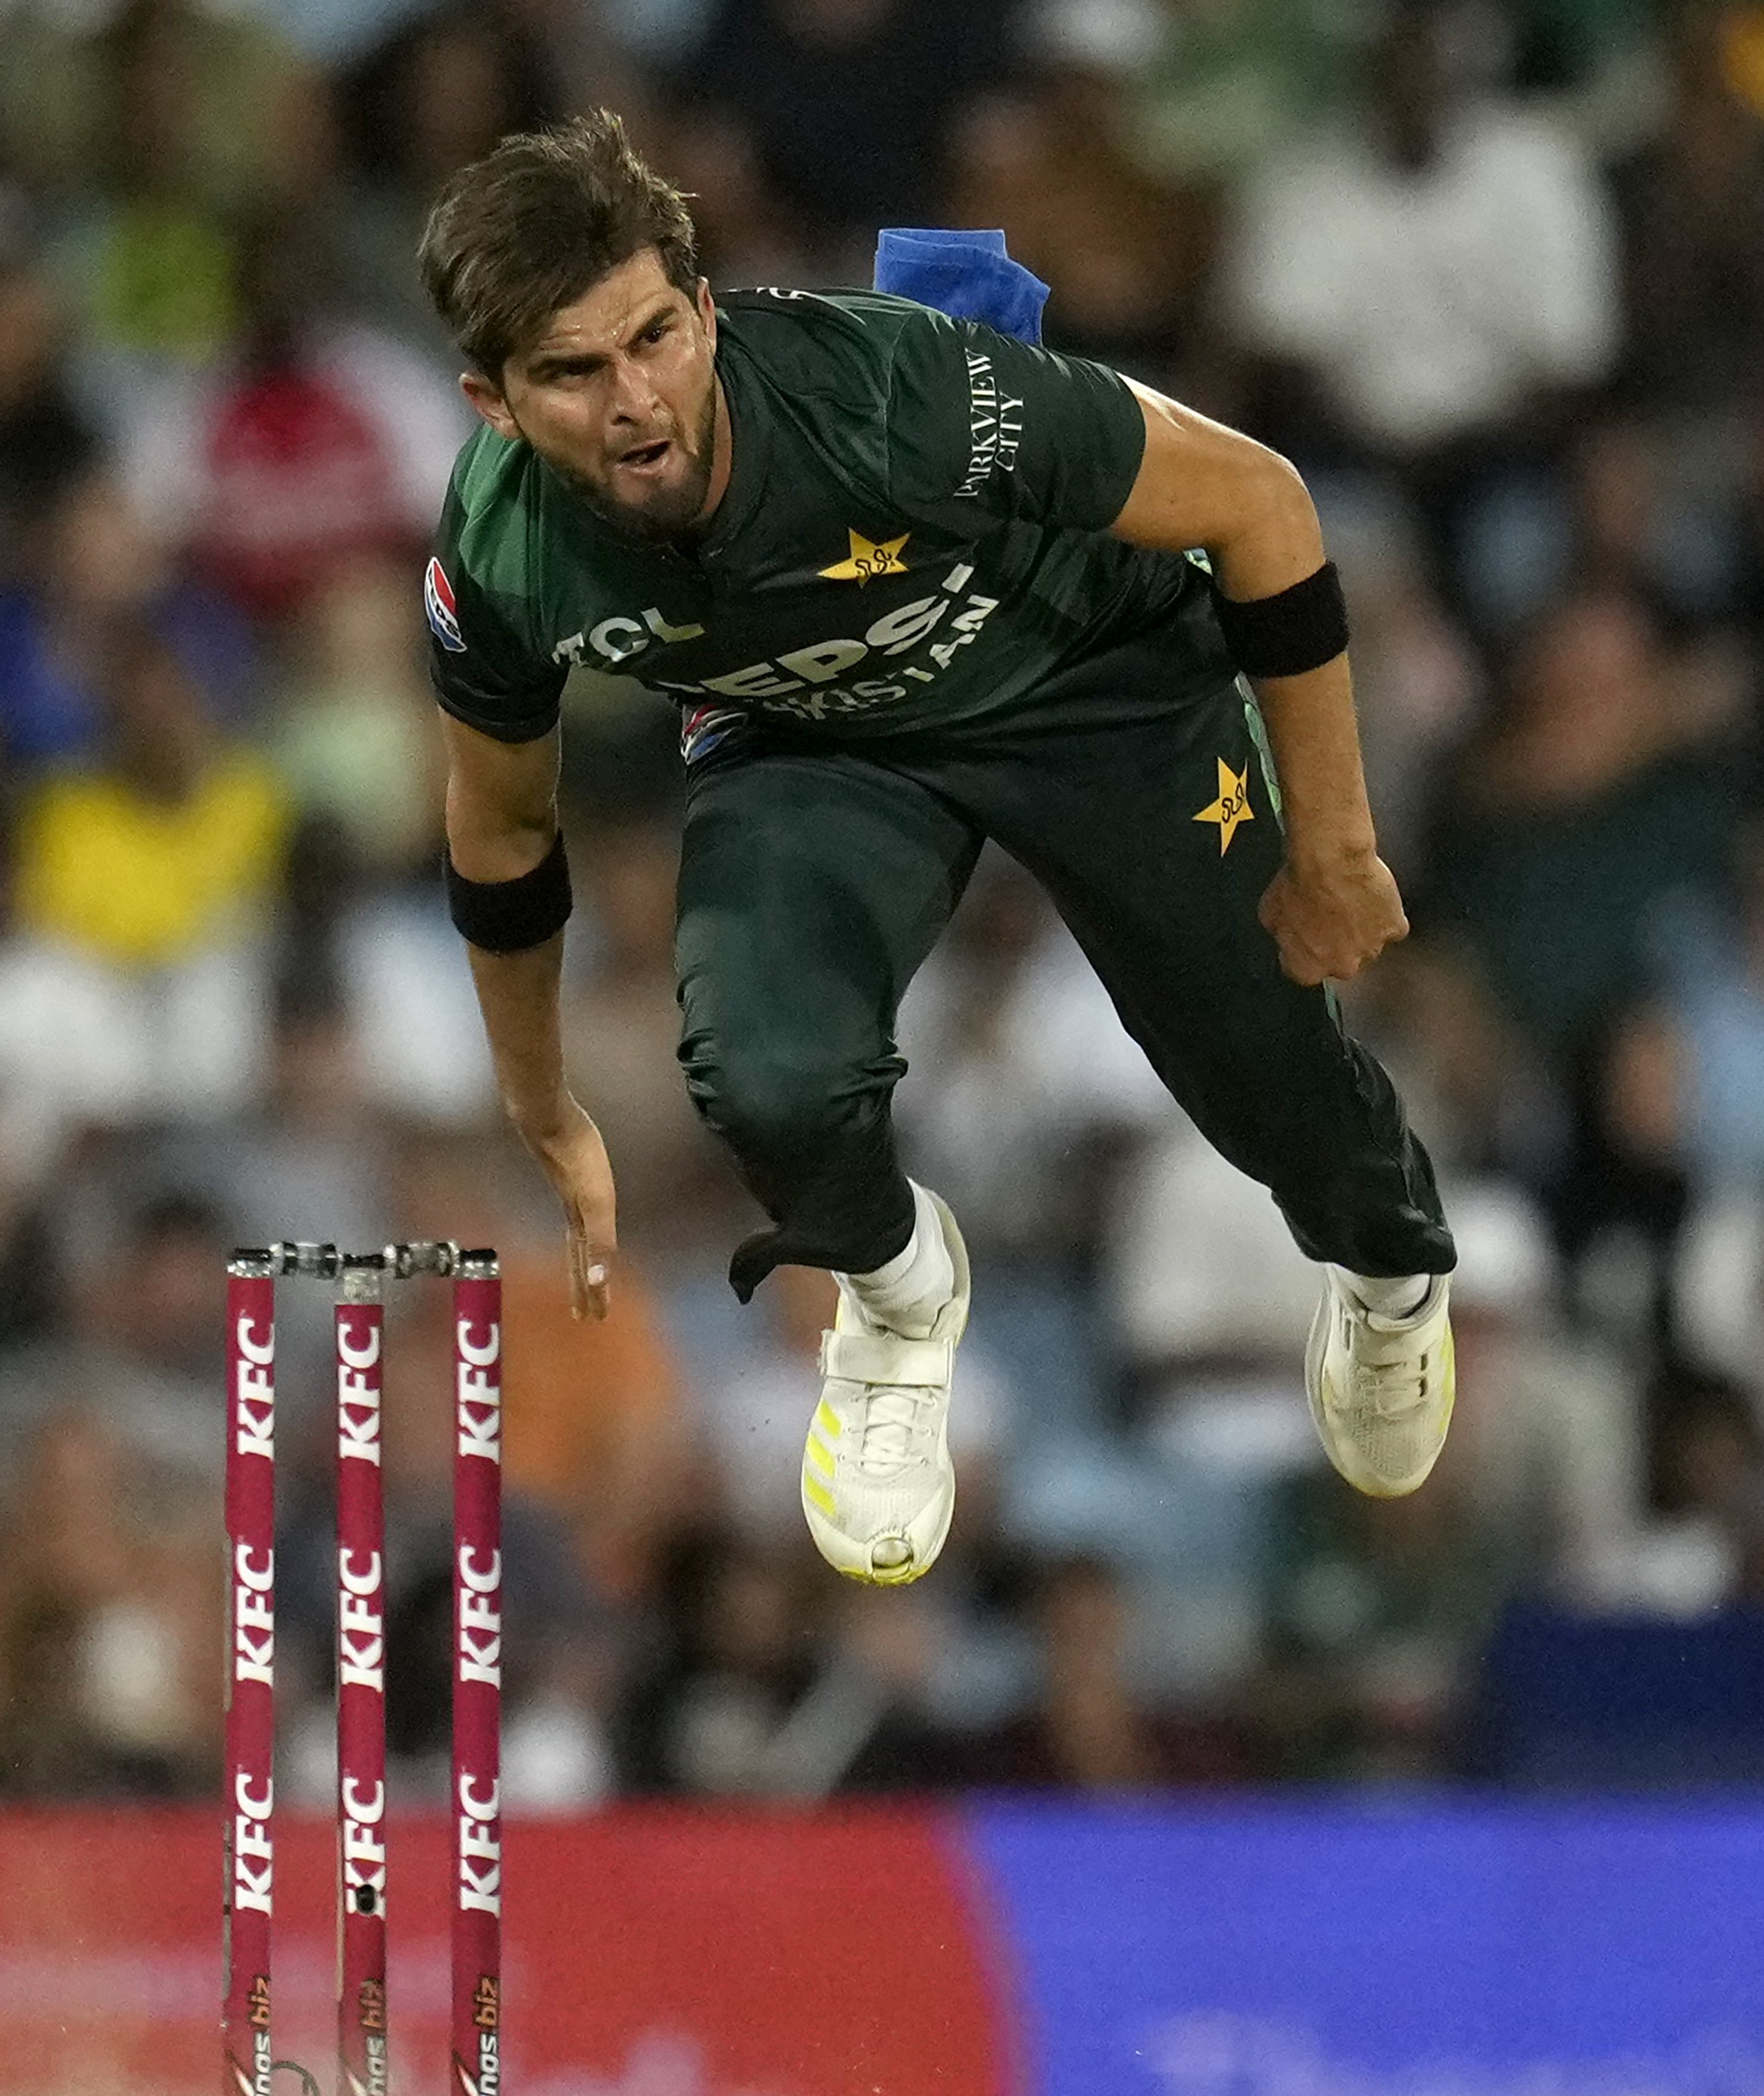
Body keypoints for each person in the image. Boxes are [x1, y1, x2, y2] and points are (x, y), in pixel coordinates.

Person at [418, 115, 1456, 1588]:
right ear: (497, 401)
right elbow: (504, 823)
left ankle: (1390, 1271)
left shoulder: (889, 392)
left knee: (1268, 1074)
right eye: (575, 373)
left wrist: (1338, 845)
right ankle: (897, 1300)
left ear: (706, 308)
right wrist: (540, 1100)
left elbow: (1260, 503)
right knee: (763, 1077)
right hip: (813, 736)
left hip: (1088, 679)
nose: (638, 400)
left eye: (656, 335)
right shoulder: (501, 555)